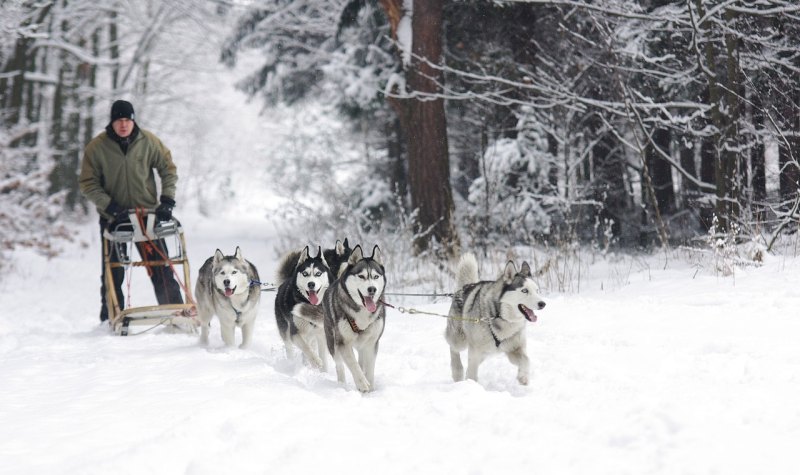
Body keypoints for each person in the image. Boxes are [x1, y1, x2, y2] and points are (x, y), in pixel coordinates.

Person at [79, 99, 184, 323]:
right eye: (119, 120)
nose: (123, 125)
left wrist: (167, 200)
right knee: (113, 270)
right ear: (112, 122)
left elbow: (168, 169)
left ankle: (175, 312)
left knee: (160, 267)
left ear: (133, 120)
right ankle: (111, 318)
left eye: (127, 120)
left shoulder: (148, 141)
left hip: (147, 216)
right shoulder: (97, 147)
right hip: (114, 218)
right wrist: (109, 206)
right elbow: (88, 183)